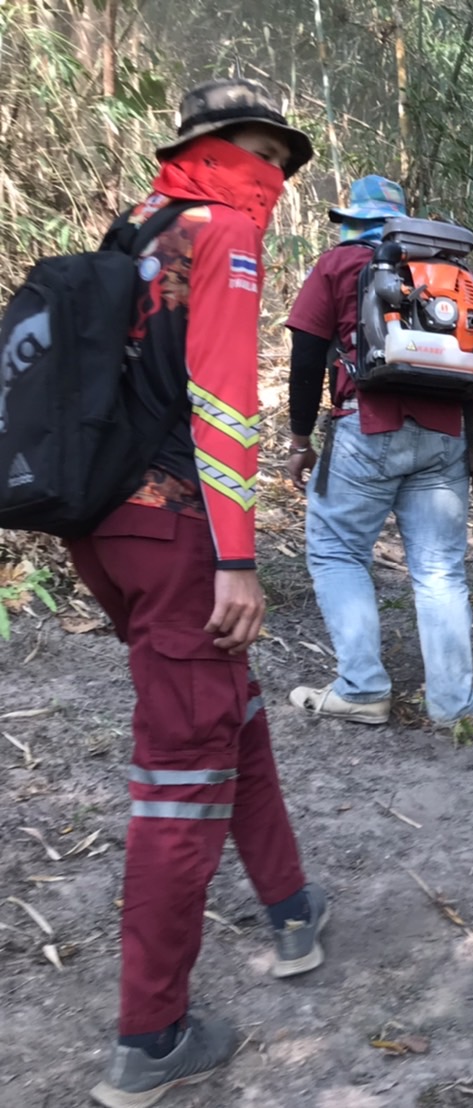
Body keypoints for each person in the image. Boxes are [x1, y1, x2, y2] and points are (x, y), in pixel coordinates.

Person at [66, 78, 329, 1108]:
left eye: (277, 159)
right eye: (260, 152)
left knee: (230, 713)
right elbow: (221, 399)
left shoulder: (137, 224)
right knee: (180, 777)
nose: (272, 177)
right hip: (176, 527)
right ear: (220, 148)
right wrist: (237, 555)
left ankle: (293, 909)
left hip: (104, 525)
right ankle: (151, 1036)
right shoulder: (224, 231)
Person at [284, 176, 473, 728]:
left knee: (336, 552)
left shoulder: (339, 264)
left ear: (353, 217)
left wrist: (300, 439)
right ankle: (454, 705)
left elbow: (305, 360)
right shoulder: (446, 268)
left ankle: (362, 689)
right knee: (440, 570)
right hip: (446, 432)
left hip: (366, 428)